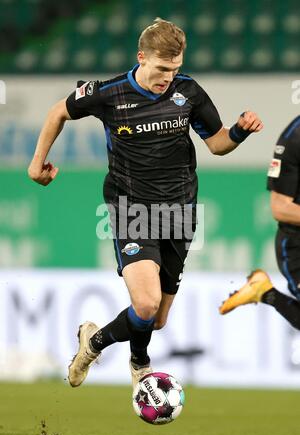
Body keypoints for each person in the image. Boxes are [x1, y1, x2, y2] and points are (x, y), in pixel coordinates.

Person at [28, 18, 263, 388]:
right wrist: (36, 162)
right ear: (142, 57)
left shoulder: (189, 93)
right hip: (131, 210)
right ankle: (140, 363)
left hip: (180, 212)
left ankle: (93, 342)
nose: (168, 77)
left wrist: (238, 132)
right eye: (162, 69)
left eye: (175, 69)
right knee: (147, 303)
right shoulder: (110, 94)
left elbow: (217, 143)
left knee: (156, 319)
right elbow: (58, 111)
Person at [220, 115, 300, 331]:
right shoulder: (294, 138)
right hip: (296, 247)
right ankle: (267, 294)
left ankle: (264, 291)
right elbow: (280, 207)